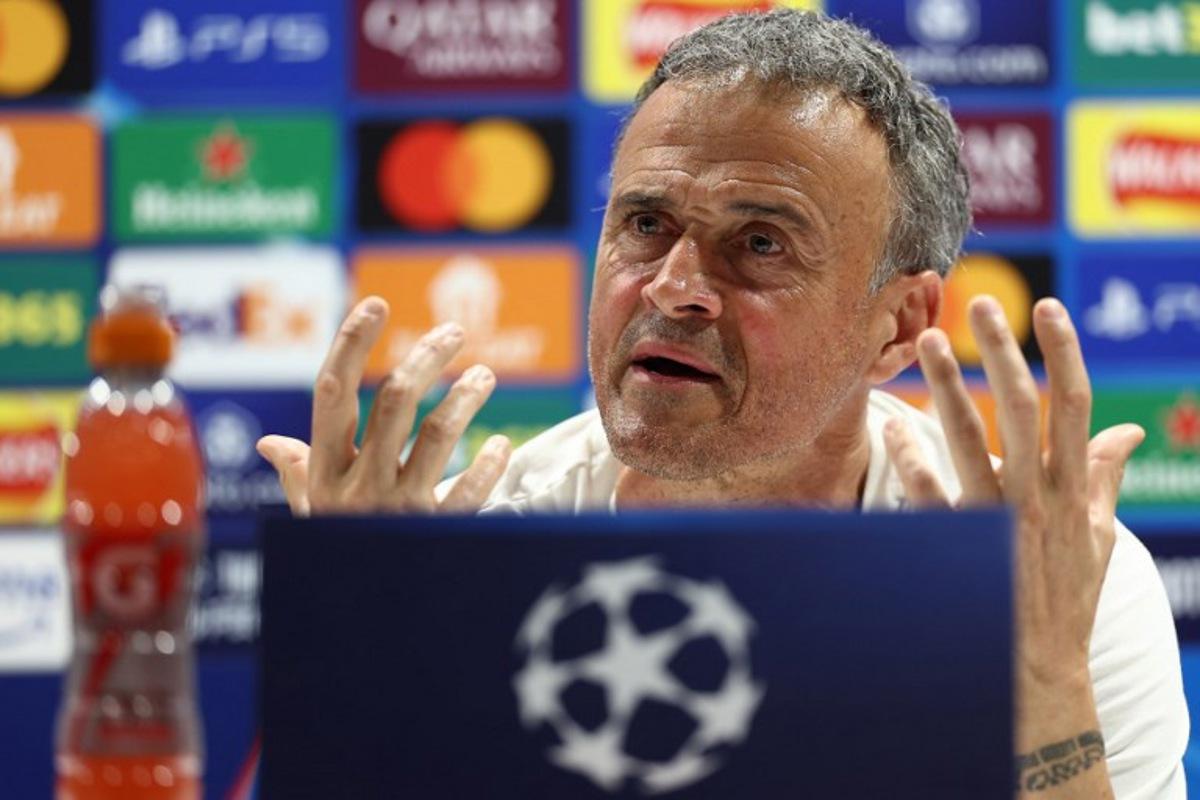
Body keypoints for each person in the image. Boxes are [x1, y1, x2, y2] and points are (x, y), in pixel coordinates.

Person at [256, 9, 1188, 798]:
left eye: (761, 244)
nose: (673, 287)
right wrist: (359, 652)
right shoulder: (465, 557)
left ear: (899, 328)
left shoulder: (1057, 583)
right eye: (645, 224)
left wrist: (1042, 683)